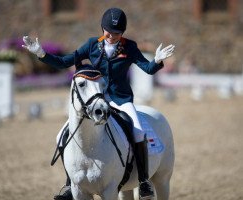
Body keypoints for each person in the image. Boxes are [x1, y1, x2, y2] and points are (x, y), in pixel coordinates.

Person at [22, 7, 175, 200]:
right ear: (102, 28)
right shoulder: (92, 45)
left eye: (117, 33)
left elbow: (148, 68)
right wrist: (41, 53)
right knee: (62, 134)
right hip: (95, 100)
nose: (111, 36)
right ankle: (70, 184)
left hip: (120, 100)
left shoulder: (130, 47)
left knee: (138, 132)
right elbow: (64, 62)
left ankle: (144, 181)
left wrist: (158, 60)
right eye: (108, 32)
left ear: (123, 33)